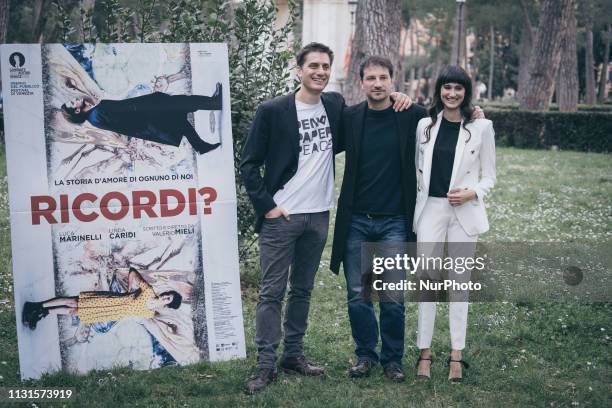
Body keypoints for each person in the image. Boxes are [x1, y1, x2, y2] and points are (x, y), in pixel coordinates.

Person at [240, 43, 411, 393]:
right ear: (298, 69)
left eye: (325, 66)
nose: (319, 71)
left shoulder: (334, 106)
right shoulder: (273, 110)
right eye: (313, 66)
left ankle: (294, 355)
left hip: (318, 217)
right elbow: (248, 164)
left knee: (302, 290)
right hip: (281, 217)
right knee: (272, 293)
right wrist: (267, 206)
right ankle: (265, 364)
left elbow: (374, 117)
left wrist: (400, 97)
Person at [330, 56, 428, 382]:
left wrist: (477, 114)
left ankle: (392, 360)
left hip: (395, 222)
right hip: (356, 220)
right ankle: (365, 355)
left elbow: (449, 118)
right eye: (370, 78)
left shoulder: (411, 115)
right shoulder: (351, 117)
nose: (377, 83)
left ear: (392, 80)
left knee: (392, 297)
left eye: (383, 77)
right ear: (361, 83)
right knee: (358, 294)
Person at [413, 65, 496, 382]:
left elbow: (490, 176)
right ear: (438, 91)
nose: (451, 94)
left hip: (463, 212)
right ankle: (424, 353)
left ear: (466, 92)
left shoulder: (481, 127)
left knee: (460, 284)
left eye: (458, 88)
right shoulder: (424, 125)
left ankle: (456, 355)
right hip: (431, 211)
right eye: (446, 88)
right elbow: (416, 169)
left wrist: (473, 191)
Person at [60, 84, 223, 155]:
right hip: (151, 114)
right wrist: (154, 102)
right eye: (73, 103)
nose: (75, 100)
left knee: (180, 120)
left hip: (149, 121)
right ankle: (214, 102)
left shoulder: (94, 118)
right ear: (76, 109)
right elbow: (129, 108)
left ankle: (200, 146)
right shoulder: (99, 110)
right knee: (182, 103)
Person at [21, 267, 182, 329]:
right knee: (73, 302)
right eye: (168, 295)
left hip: (110, 314)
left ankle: (43, 313)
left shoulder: (150, 314)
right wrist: (128, 289)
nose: (165, 297)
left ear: (166, 305)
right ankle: (37, 306)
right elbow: (132, 272)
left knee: (74, 312)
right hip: (108, 301)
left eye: (168, 300)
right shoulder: (149, 291)